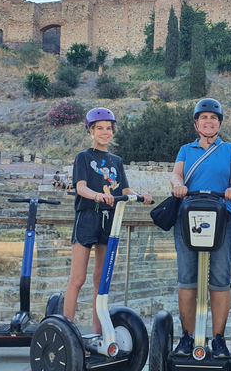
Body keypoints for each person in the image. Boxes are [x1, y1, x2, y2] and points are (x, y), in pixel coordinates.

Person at [63, 107, 153, 334]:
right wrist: (98, 195)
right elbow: (80, 187)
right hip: (87, 217)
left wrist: (140, 196)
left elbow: (123, 188)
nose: (105, 132)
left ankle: (97, 332)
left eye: (109, 128)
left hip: (109, 219)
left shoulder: (116, 160)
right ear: (91, 131)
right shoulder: (83, 157)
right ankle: (66, 331)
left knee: (100, 279)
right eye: (100, 128)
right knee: (78, 278)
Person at [170, 98, 231, 359]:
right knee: (187, 278)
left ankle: (218, 338)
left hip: (222, 218)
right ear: (196, 123)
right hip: (188, 218)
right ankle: (188, 337)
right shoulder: (186, 150)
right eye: (204, 117)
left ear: (220, 123)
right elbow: (176, 174)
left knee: (221, 279)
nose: (209, 121)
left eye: (213, 118)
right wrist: (178, 185)